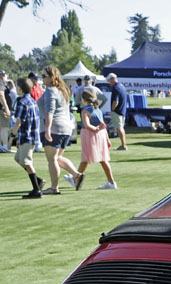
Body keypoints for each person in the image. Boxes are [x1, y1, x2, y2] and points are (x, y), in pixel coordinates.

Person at [38, 65, 83, 194]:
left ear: (52, 77)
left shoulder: (50, 91)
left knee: (52, 159)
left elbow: (49, 111)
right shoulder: (63, 90)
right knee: (57, 157)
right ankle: (76, 174)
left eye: (44, 76)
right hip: (66, 128)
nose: (43, 79)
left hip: (54, 128)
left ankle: (54, 188)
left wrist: (47, 129)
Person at [10, 77, 44, 199]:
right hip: (32, 136)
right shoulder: (32, 101)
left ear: (20, 88)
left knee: (26, 162)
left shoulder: (22, 102)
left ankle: (36, 190)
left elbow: (18, 122)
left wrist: (12, 135)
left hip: (27, 136)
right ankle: (37, 180)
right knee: (18, 158)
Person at [77, 88, 117, 190]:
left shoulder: (85, 111)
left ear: (84, 99)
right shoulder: (98, 110)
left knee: (85, 157)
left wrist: (95, 129)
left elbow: (87, 125)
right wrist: (107, 139)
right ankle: (111, 181)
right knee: (103, 160)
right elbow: (103, 125)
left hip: (90, 135)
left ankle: (76, 177)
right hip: (101, 135)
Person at [105, 73, 128, 151]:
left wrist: (112, 110)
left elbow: (116, 101)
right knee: (121, 128)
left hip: (117, 111)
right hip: (123, 110)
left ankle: (123, 145)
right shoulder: (122, 86)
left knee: (119, 128)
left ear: (112, 79)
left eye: (109, 80)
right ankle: (124, 144)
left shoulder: (115, 88)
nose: (109, 82)